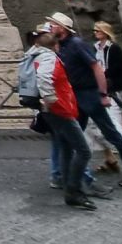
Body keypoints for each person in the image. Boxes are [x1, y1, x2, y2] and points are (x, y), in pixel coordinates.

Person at [47, 13, 122, 186]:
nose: (50, 28)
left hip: (89, 95)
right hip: (77, 96)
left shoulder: (76, 44)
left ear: (61, 28)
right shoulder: (61, 46)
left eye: (53, 25)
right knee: (70, 137)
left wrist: (103, 94)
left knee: (112, 135)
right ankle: (67, 177)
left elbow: (96, 68)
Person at [26, 25, 101, 211]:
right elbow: (44, 77)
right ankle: (74, 191)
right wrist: (50, 99)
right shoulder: (48, 58)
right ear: (56, 46)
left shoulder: (36, 56)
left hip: (57, 110)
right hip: (59, 110)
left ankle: (68, 187)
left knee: (66, 149)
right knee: (84, 151)